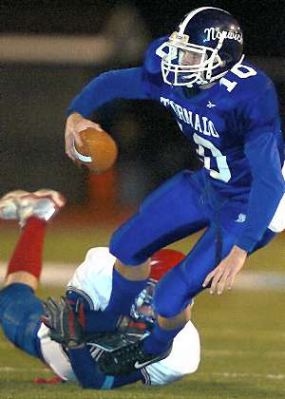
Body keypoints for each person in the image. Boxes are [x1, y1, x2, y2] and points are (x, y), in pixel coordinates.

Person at [64, 6, 285, 375]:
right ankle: (114, 321)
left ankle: (153, 347)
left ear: (220, 60)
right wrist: (77, 113)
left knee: (168, 299)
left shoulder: (248, 95)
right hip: (210, 182)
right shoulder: (172, 73)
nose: (179, 60)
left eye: (192, 55)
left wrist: (241, 248)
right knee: (126, 244)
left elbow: (269, 181)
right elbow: (113, 82)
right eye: (181, 50)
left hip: (250, 202)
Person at [0, 190, 200, 389]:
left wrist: (78, 341)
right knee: (11, 297)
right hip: (56, 345)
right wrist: (118, 324)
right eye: (150, 291)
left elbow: (97, 381)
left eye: (165, 295)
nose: (151, 304)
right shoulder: (102, 272)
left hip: (82, 356)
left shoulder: (182, 353)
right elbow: (69, 321)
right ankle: (37, 217)